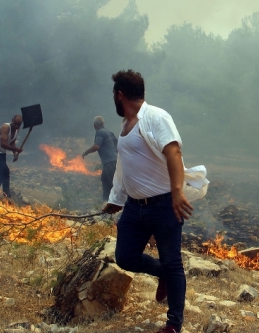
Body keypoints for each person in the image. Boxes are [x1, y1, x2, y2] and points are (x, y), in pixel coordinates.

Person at [103, 69, 203, 333]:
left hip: (164, 204)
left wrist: (177, 191)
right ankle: (162, 275)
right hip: (135, 207)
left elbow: (174, 152)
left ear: (120, 95)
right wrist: (117, 199)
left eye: (114, 95)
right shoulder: (125, 125)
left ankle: (173, 324)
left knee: (173, 261)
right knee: (125, 257)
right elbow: (123, 167)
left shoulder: (156, 117)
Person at [82, 116, 118, 202]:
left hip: (109, 163)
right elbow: (117, 146)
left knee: (111, 184)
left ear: (95, 125)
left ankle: (116, 204)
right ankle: (106, 203)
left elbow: (96, 146)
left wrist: (86, 152)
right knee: (105, 180)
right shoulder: (109, 132)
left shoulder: (100, 132)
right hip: (114, 162)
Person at [0, 114, 23, 198]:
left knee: (4, 171)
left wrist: (15, 154)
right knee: (3, 170)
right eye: (15, 124)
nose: (16, 126)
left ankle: (6, 194)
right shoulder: (5, 128)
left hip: (2, 154)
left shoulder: (17, 130)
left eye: (19, 125)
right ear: (12, 120)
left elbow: (12, 142)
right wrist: (16, 150)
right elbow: (3, 144)